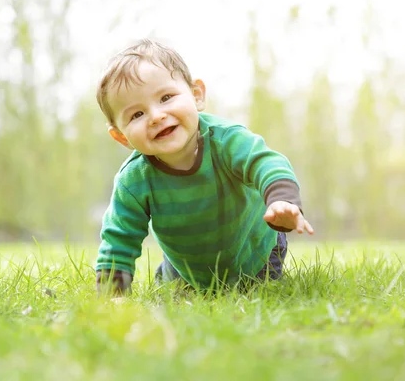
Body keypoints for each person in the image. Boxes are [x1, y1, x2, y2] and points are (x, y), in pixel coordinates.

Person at [95, 39, 313, 295]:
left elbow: (266, 162)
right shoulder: (134, 181)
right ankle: (174, 277)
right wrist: (113, 297)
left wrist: (281, 201)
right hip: (185, 263)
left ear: (196, 95)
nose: (156, 116)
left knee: (253, 293)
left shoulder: (227, 141)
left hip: (255, 250)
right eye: (137, 115)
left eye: (166, 98)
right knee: (184, 293)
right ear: (122, 136)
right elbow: (119, 237)